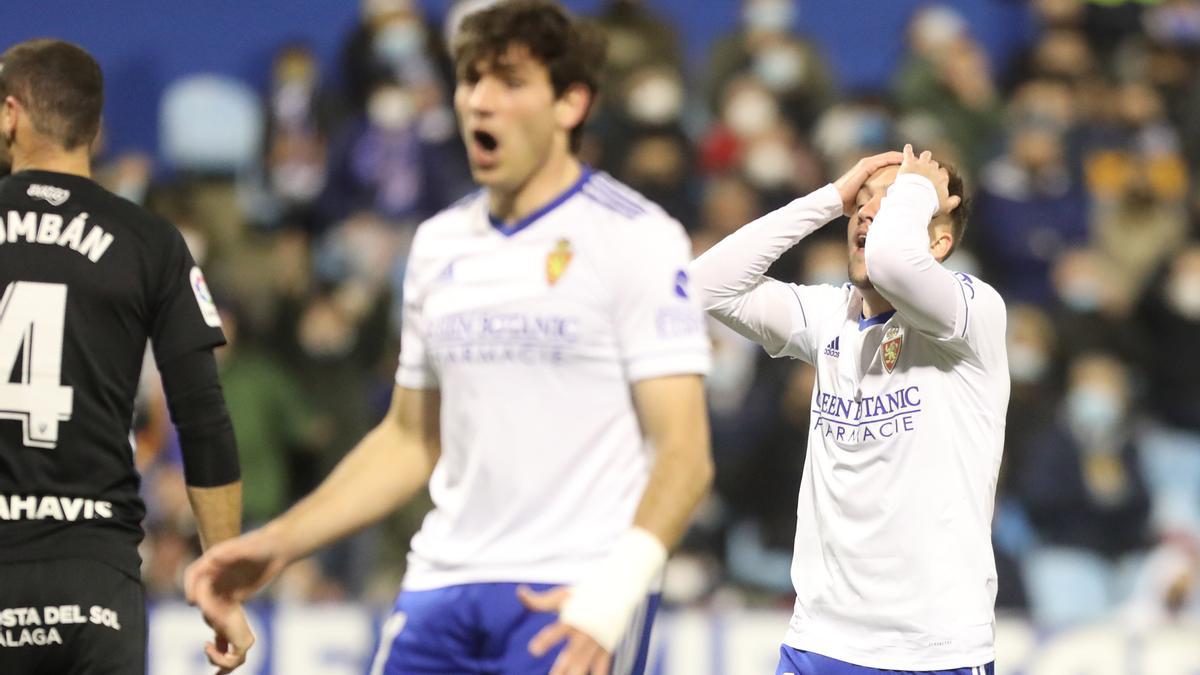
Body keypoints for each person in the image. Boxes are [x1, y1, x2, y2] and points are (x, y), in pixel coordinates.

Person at [185, 2, 714, 674]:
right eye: (470, 81)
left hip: (572, 587)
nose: (480, 103)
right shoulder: (438, 244)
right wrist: (281, 542)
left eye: (509, 82)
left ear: (570, 103)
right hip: (442, 582)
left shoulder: (636, 237)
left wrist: (613, 595)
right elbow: (410, 438)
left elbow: (686, 454)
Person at [691, 145, 1009, 674]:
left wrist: (913, 190)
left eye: (891, 201)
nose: (865, 211)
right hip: (820, 641)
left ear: (939, 242)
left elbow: (893, 264)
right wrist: (826, 199)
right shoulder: (828, 317)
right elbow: (702, 286)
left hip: (932, 650)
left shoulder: (973, 314)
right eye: (862, 201)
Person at [0, 40, 251, 674]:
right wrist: (221, 578)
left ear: (11, 115)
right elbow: (203, 417)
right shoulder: (151, 243)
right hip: (94, 582)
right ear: (96, 128)